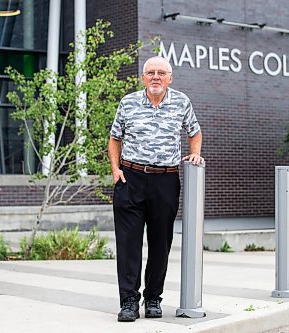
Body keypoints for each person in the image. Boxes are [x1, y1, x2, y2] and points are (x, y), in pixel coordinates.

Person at [108, 56, 203, 322]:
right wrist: (116, 170)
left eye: (161, 72)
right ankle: (128, 301)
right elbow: (115, 138)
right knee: (128, 244)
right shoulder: (128, 103)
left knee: (161, 243)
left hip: (166, 180)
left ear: (170, 78)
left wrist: (195, 154)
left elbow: (194, 132)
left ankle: (153, 299)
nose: (156, 77)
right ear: (143, 77)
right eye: (151, 72)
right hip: (130, 179)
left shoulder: (182, 102)